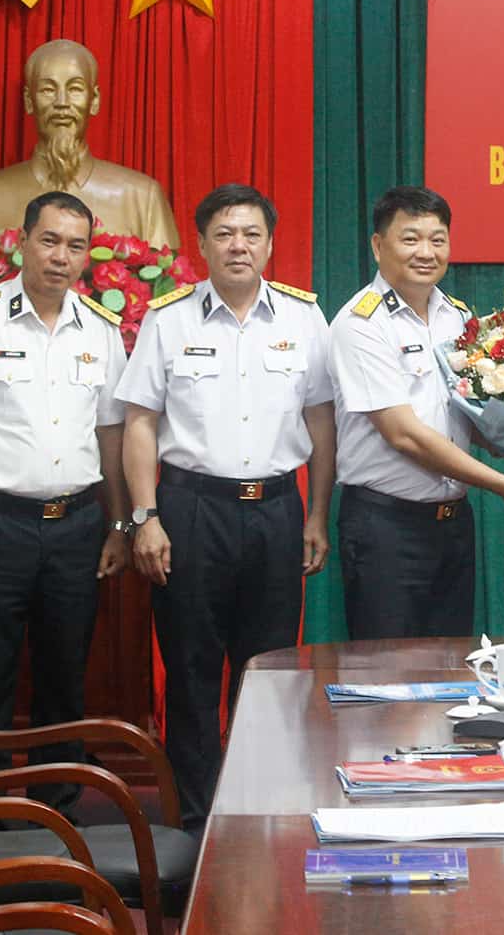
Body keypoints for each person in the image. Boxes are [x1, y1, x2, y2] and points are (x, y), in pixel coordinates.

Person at [117, 183, 335, 835]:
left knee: (267, 671)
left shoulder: (304, 320)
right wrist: (144, 516)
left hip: (275, 509)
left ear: (271, 243)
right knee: (189, 668)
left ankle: (255, 813)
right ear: (202, 243)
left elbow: (322, 425)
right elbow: (137, 423)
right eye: (224, 233)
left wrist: (316, 515)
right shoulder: (169, 320)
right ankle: (192, 820)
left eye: (251, 234)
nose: (238, 245)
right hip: (189, 508)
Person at [0, 191, 131, 809]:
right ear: (22, 241)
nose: (61, 257)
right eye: (49, 241)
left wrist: (120, 524)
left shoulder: (100, 329)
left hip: (76, 526)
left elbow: (112, 434)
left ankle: (58, 809)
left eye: (75, 246)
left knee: (65, 676)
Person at [329, 185, 504, 640]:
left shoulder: (458, 318)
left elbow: (476, 419)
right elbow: (404, 435)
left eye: (438, 239)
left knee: (451, 668)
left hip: (452, 526)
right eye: (410, 239)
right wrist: (503, 484)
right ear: (378, 245)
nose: (426, 252)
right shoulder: (360, 324)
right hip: (386, 528)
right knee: (387, 676)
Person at [0, 39, 178, 247]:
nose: (61, 102)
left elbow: (170, 290)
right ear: (29, 101)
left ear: (94, 100)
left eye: (75, 89)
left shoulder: (143, 197)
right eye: (48, 90)